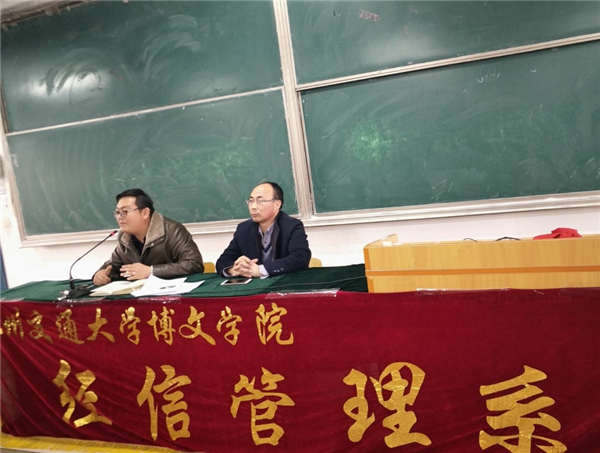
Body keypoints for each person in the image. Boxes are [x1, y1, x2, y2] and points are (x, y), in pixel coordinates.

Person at [92, 188, 203, 285]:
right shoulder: (124, 236)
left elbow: (194, 264)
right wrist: (100, 274)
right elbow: (114, 265)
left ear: (145, 213)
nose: (120, 217)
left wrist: (151, 271)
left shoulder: (172, 230)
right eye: (117, 212)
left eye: (125, 211)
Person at [216, 182, 311, 278]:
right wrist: (234, 269)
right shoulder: (244, 229)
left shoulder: (292, 226)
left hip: (283, 281)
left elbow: (300, 258)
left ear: (277, 204)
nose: (253, 207)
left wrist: (261, 270)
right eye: (251, 201)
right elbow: (223, 261)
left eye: (260, 201)